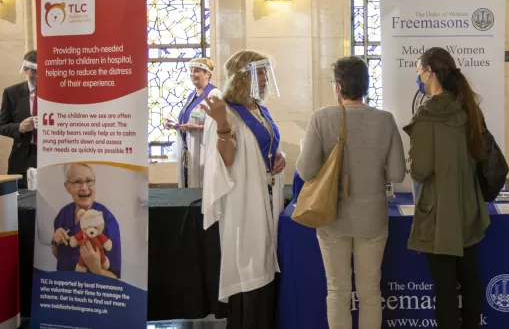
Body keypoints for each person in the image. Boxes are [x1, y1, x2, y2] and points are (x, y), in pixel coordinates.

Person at [296, 56, 406, 329]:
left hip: (333, 217)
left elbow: (306, 171)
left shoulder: (321, 118)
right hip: (372, 219)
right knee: (370, 291)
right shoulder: (385, 120)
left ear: (338, 87)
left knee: (337, 291)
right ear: (366, 86)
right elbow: (396, 174)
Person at [404, 47, 490, 329]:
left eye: (418, 71)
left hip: (439, 213)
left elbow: (420, 170)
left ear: (429, 72)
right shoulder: (468, 108)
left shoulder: (427, 114)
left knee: (445, 289)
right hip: (469, 206)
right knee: (470, 281)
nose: (417, 76)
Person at [201, 50, 287, 328]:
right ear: (243, 76)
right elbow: (224, 162)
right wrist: (223, 125)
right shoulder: (224, 110)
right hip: (243, 200)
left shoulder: (259, 109)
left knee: (264, 259)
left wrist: (279, 157)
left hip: (267, 195)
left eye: (265, 73)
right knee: (250, 263)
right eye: (259, 73)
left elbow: (265, 147)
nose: (264, 80)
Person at [51, 164, 121, 279]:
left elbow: (116, 279)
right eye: (77, 182)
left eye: (89, 181)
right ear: (67, 186)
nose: (84, 187)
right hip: (64, 289)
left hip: (93, 293)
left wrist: (96, 269)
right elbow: (58, 255)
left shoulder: (108, 221)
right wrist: (55, 242)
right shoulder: (63, 214)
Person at [165, 58, 223, 188]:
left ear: (207, 74)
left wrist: (196, 127)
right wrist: (175, 125)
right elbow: (189, 120)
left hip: (203, 148)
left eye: (197, 71)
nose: (192, 74)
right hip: (188, 148)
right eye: (191, 70)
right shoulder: (192, 95)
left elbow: (221, 124)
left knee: (201, 185)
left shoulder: (214, 93)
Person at [0, 50, 38, 188]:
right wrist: (19, 127)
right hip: (23, 158)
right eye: (34, 71)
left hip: (50, 157)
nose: (38, 76)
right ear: (26, 70)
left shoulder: (54, 93)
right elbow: (1, 125)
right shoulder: (12, 93)